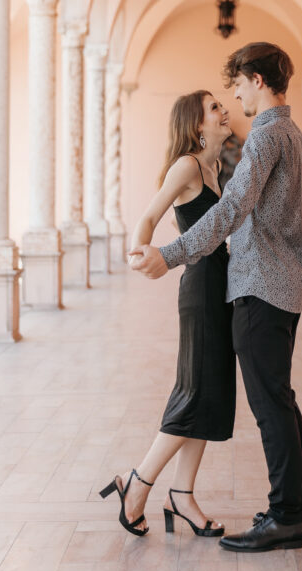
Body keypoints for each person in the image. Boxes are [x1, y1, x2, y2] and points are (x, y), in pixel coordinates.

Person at [130, 42, 302, 553]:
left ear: (257, 80)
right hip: (281, 282)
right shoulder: (294, 133)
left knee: (271, 406)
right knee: (280, 399)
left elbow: (233, 208)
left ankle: (286, 516)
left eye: (236, 83)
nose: (233, 94)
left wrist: (169, 254)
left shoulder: (264, 136)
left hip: (261, 285)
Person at [99, 91, 235, 538]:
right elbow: (149, 216)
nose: (223, 110)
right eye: (214, 107)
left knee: (210, 396)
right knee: (195, 393)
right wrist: (141, 253)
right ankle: (137, 484)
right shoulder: (188, 166)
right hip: (200, 290)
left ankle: (182, 496)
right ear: (197, 124)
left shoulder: (216, 169)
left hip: (222, 289)